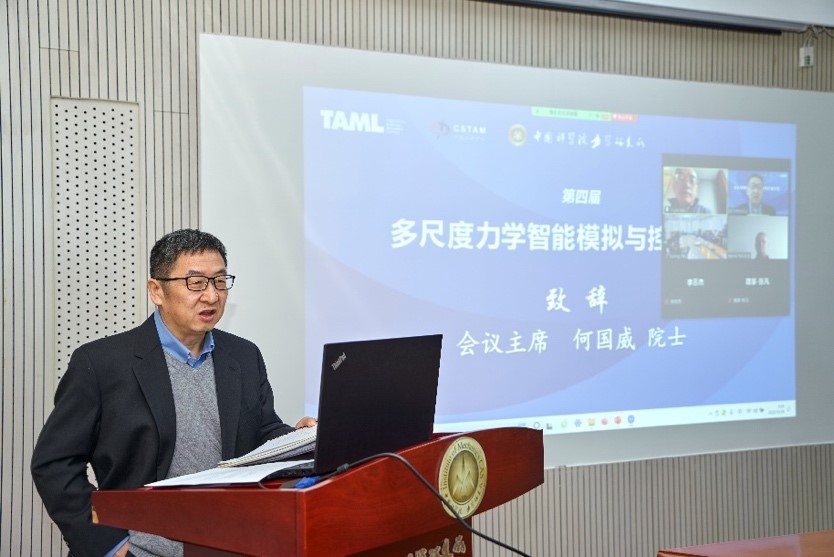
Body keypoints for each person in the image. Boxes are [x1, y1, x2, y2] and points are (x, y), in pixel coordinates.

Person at [31, 229, 316, 557]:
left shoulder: (243, 356)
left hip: (227, 543)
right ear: (157, 291)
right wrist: (111, 546)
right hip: (138, 548)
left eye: (220, 281)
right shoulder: (101, 363)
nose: (211, 296)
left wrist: (299, 440)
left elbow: (261, 433)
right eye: (196, 283)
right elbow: (55, 464)